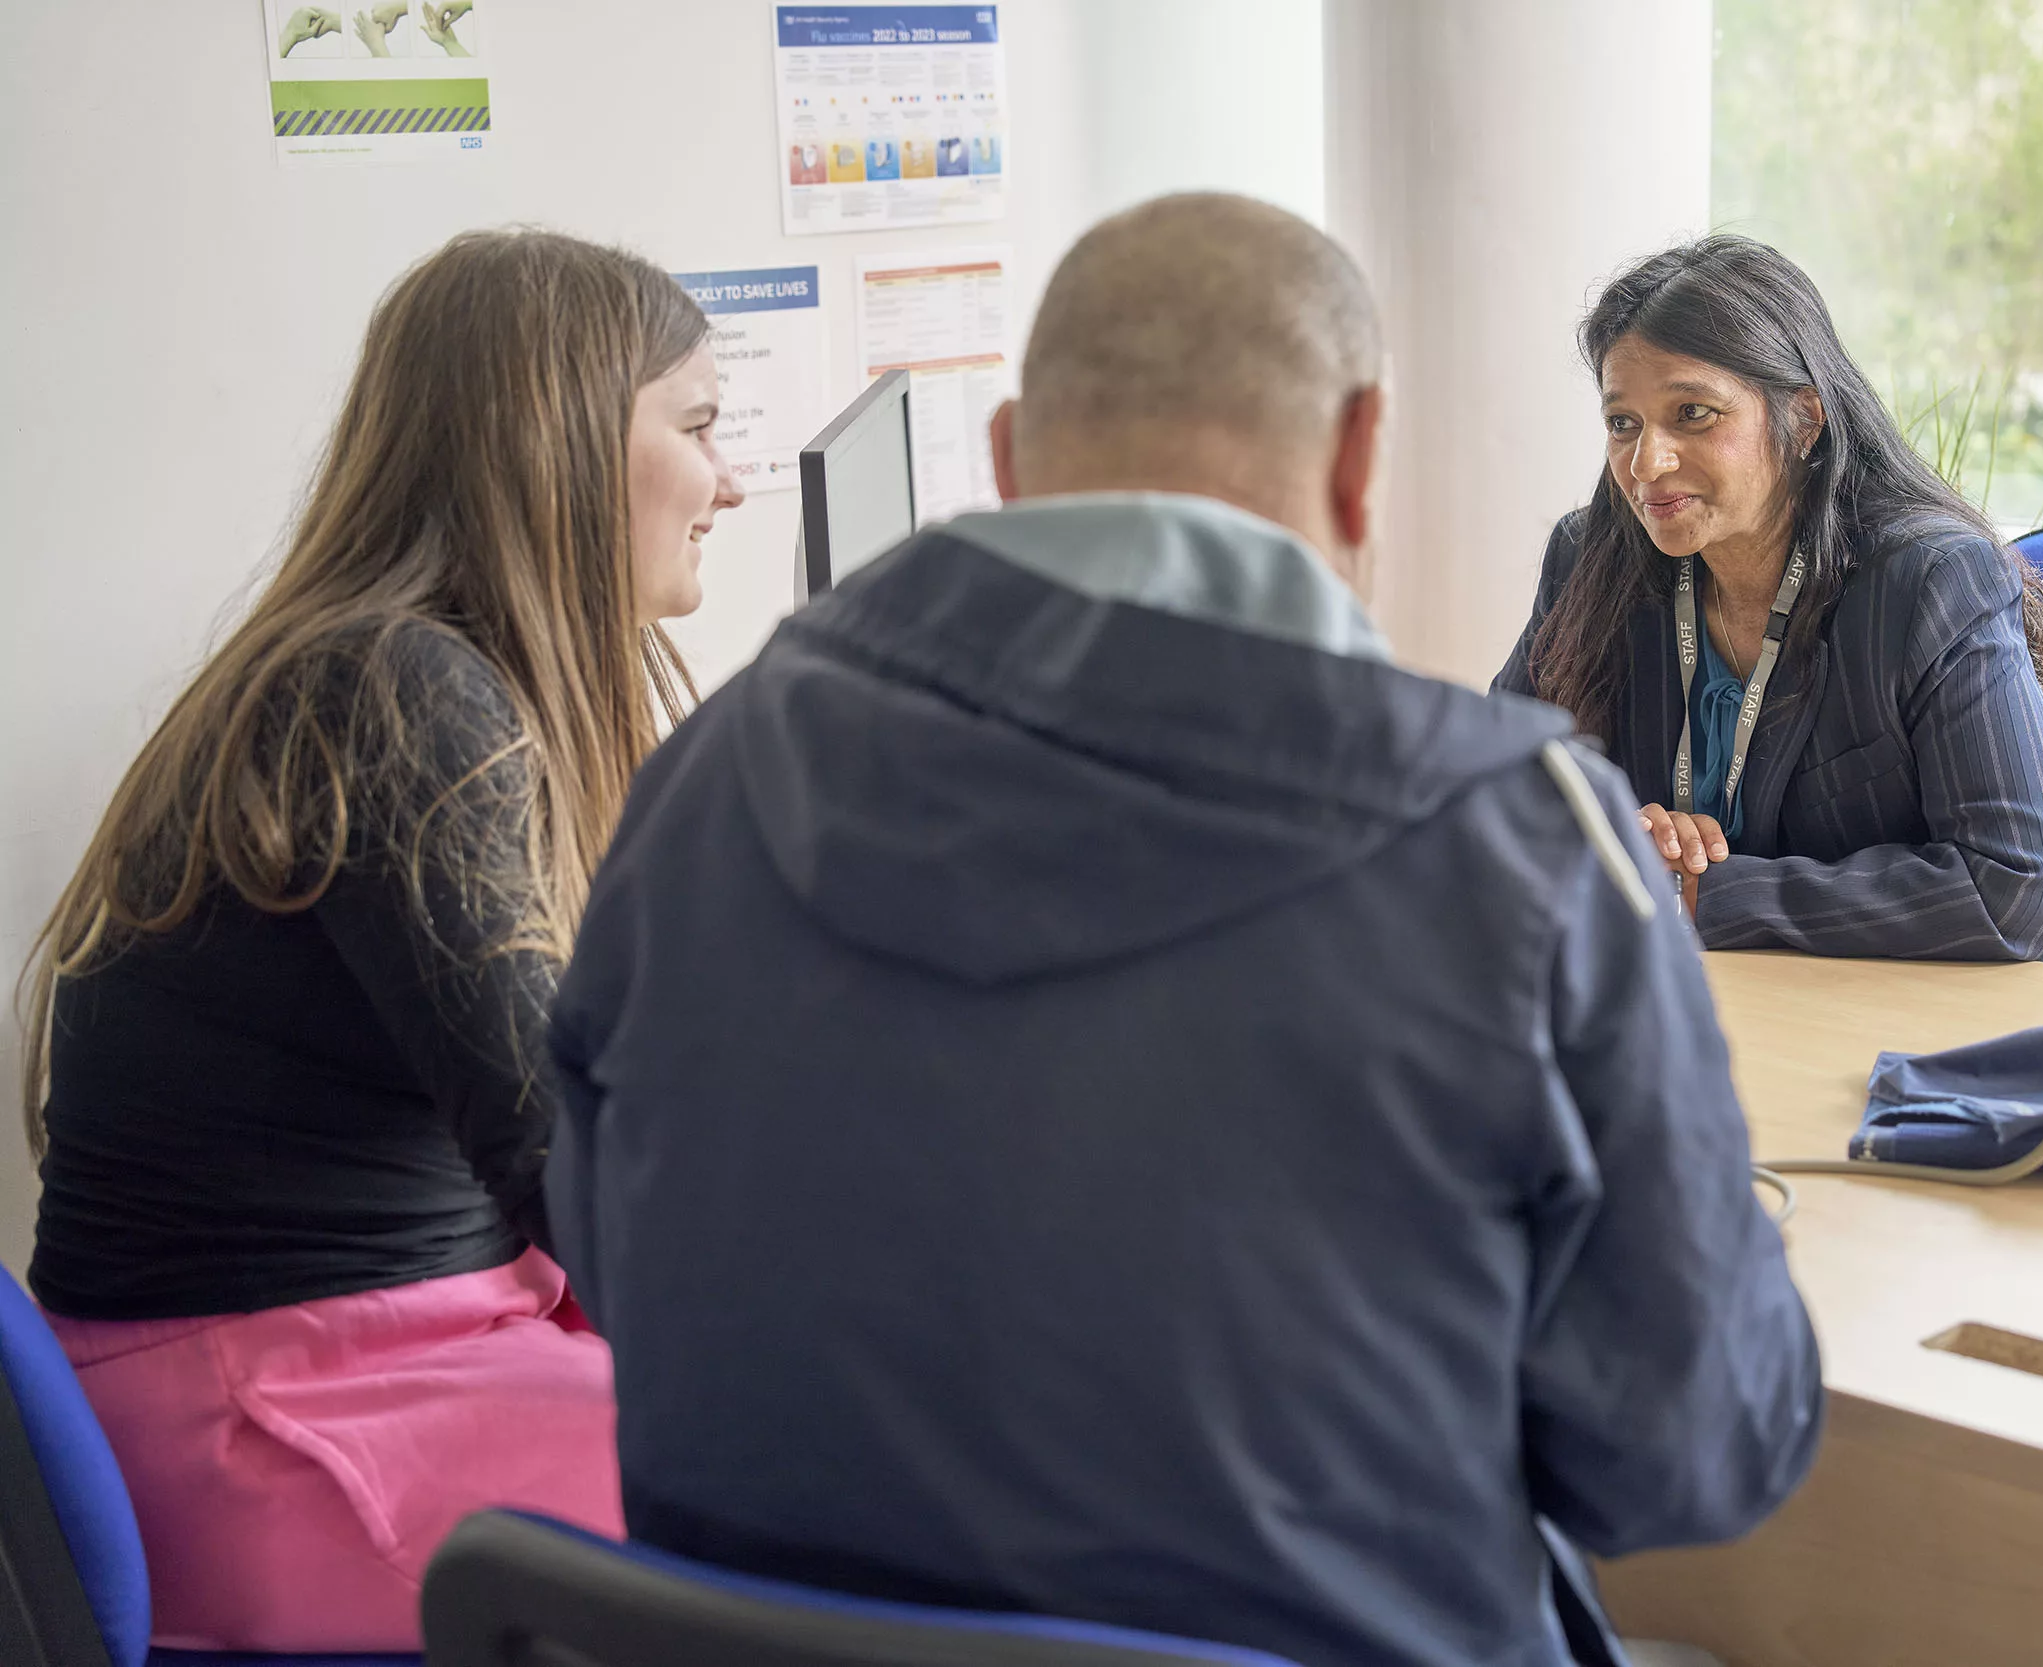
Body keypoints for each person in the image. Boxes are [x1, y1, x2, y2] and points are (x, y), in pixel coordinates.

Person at [544, 193, 1822, 1667]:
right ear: (1359, 460)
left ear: (1010, 460)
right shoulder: (1520, 844)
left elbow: (610, 1247)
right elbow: (1689, 1456)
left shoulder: (705, 776)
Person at [17, 227, 745, 1652]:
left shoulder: (418, 674)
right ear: (563, 440)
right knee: (870, 1497)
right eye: (703, 426)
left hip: (376, 1349)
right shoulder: (394, 691)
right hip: (269, 1409)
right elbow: (569, 1161)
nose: (729, 479)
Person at [1496, 236, 2043, 969]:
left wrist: (1704, 895)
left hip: (1993, 1019)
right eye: (1622, 423)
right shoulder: (1592, 559)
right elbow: (1493, 787)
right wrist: (1619, 833)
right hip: (1739, 998)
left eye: (1693, 413)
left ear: (1803, 419)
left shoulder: (1928, 580)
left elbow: (2017, 886)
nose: (1647, 463)